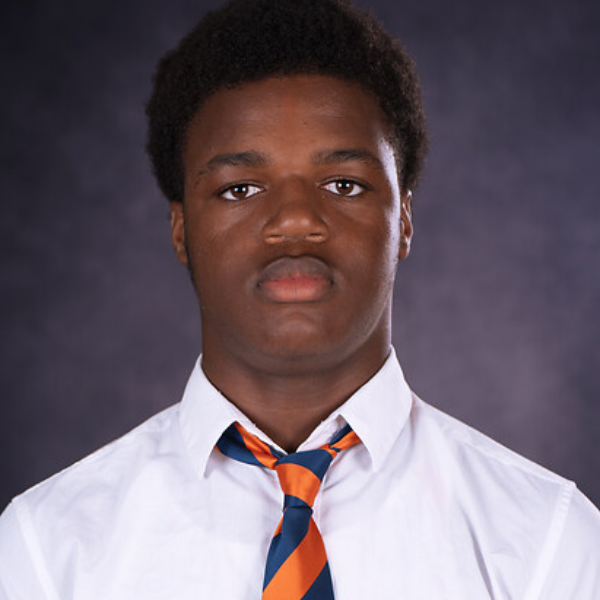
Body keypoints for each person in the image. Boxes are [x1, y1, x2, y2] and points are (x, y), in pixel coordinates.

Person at [0, 0, 598, 597]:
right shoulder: (46, 550)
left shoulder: (550, 544)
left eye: (343, 184)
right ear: (180, 229)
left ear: (404, 220)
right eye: (240, 188)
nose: (294, 221)